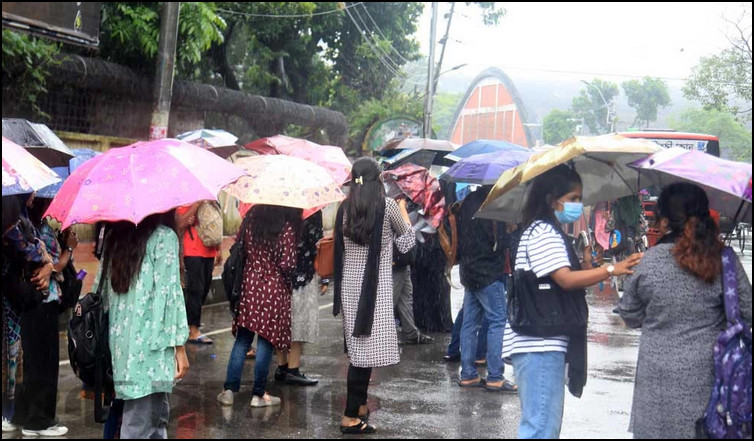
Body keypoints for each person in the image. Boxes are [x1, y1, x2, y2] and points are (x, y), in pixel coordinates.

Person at [504, 164, 642, 439]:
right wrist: (612, 269)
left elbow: (567, 276)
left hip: (541, 342)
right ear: (552, 200)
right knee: (541, 428)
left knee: (541, 425)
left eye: (580, 198)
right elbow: (565, 280)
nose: (579, 205)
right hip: (540, 344)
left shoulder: (545, 230)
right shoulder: (544, 232)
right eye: (573, 199)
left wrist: (590, 262)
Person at [618, 183, 752, 439]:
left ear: (665, 221)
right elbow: (747, 311)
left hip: (655, 379)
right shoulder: (723, 259)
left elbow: (630, 314)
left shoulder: (649, 261)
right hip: (708, 378)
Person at [334, 158, 415, 434]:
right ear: (377, 178)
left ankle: (358, 408)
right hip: (375, 289)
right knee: (363, 355)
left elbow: (339, 249)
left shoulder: (345, 208)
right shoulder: (388, 206)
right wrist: (404, 212)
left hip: (350, 287)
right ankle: (349, 416)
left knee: (359, 351)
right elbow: (408, 243)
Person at [95, 211, 190, 439]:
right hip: (152, 350)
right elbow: (169, 298)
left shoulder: (114, 239)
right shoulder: (164, 238)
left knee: (151, 423)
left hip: (121, 350)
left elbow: (101, 296)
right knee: (142, 425)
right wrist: (180, 347)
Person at [217, 204, 300, 408]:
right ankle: (259, 394)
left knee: (243, 339)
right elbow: (288, 263)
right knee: (266, 340)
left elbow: (239, 247)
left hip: (250, 285)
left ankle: (229, 390)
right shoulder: (285, 227)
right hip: (274, 289)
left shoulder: (250, 221)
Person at [456, 187, 516, 393]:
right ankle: (495, 376)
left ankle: (468, 374)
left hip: (469, 271)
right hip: (489, 273)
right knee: (497, 321)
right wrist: (512, 232)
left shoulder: (467, 202)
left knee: (470, 324)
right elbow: (497, 244)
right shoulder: (493, 204)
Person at [275, 211, 324, 386]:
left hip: (278, 273)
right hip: (303, 273)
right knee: (299, 321)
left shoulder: (274, 206)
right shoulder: (312, 210)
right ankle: (293, 369)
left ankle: (282, 366)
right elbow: (317, 243)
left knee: (281, 320)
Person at [176, 201, 222, 344]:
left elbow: (215, 222)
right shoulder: (184, 200)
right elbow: (180, 224)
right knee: (195, 290)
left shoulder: (211, 200)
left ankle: (191, 325)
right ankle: (192, 330)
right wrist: (196, 205)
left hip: (208, 250)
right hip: (192, 251)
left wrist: (218, 248)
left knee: (204, 289)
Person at [392, 222, 433, 346]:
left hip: (402, 260)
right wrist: (402, 207)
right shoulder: (391, 206)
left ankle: (411, 333)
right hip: (396, 258)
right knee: (389, 300)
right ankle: (377, 335)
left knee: (405, 298)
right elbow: (407, 230)